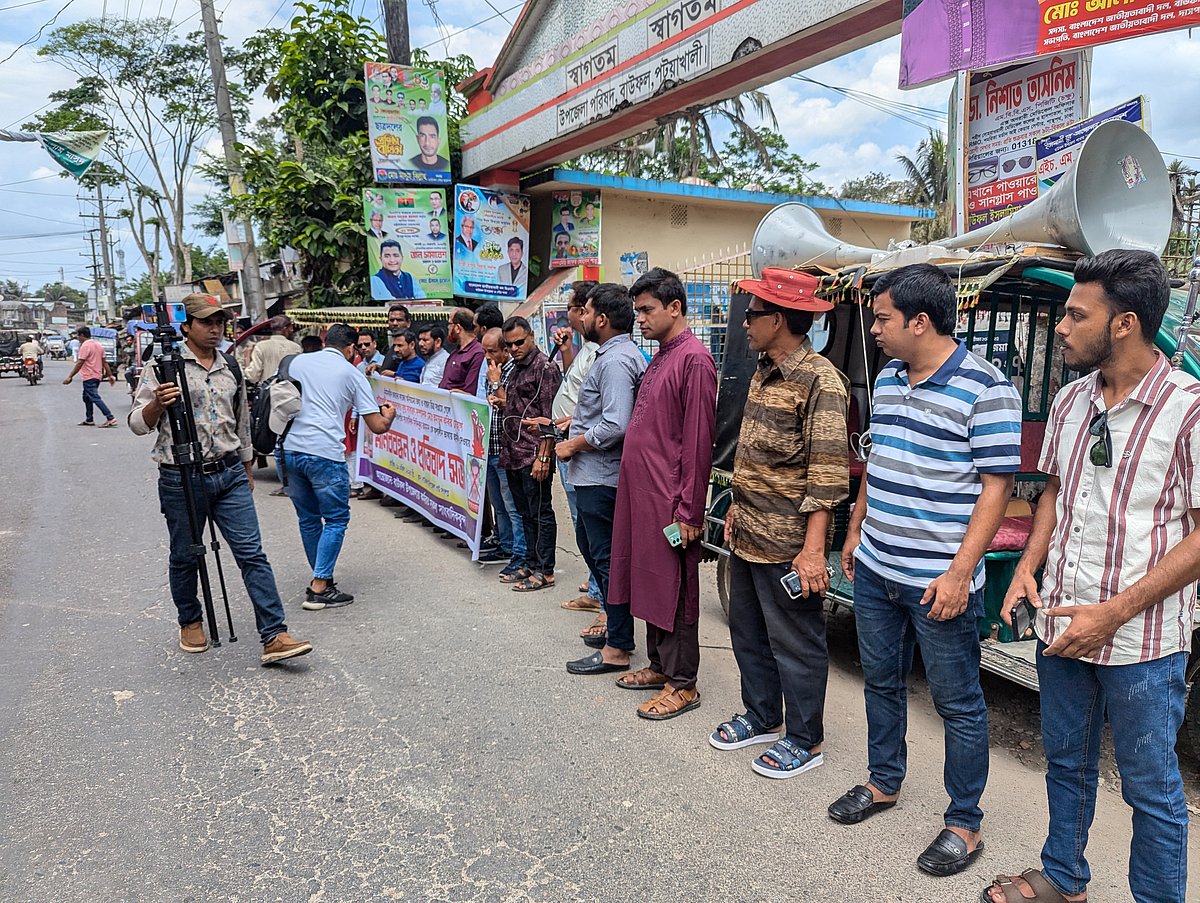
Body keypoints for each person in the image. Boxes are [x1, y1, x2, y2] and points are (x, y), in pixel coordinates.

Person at [984, 251, 1196, 903]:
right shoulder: (1071, 400)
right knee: (1068, 760)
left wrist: (1115, 610)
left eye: (1077, 314)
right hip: (1063, 624)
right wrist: (1025, 570)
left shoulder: (1188, 410)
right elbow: (1052, 494)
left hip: (1145, 643)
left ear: (1125, 323)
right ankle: (1064, 877)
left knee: (1151, 787)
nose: (1062, 326)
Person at [829, 263, 1021, 877]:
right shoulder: (887, 379)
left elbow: (997, 490)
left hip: (939, 579)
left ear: (920, 320)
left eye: (883, 318)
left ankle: (964, 824)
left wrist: (962, 571)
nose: (875, 329)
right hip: (879, 568)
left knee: (958, 703)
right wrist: (856, 531)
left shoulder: (987, 388)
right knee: (880, 682)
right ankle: (883, 783)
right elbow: (880, 463)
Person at [712, 268, 849, 779]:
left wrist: (813, 552)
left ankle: (805, 739)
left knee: (796, 643)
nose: (745, 323)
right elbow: (754, 458)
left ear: (781, 320)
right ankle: (763, 716)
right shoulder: (761, 371)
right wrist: (733, 510)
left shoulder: (820, 382)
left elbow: (827, 474)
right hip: (747, 532)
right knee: (747, 634)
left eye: (754, 314)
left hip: (789, 546)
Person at [128, 293, 312, 665]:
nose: (215, 330)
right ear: (187, 326)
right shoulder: (162, 366)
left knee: (252, 553)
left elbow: (241, 421)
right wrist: (157, 404)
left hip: (227, 473)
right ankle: (190, 619)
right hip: (181, 476)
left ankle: (274, 634)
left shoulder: (229, 363)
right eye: (206, 323)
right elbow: (136, 423)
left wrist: (246, 465)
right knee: (185, 554)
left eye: (220, 323)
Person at [608, 268, 717, 720]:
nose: (640, 319)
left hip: (672, 502)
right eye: (637, 311)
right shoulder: (660, 357)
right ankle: (658, 666)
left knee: (675, 589)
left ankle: (683, 683)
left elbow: (696, 443)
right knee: (648, 583)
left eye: (647, 310)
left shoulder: (694, 360)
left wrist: (690, 511)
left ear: (675, 307)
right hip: (643, 495)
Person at [558, 284, 646, 677]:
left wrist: (576, 442)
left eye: (587, 311)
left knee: (607, 561)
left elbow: (616, 423)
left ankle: (618, 648)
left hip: (602, 477)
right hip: (596, 476)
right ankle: (616, 630)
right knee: (597, 555)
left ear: (602, 319)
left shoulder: (614, 361)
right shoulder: (611, 355)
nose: (581, 317)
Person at [281, 324, 397, 609]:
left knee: (308, 519)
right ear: (350, 349)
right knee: (335, 519)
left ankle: (321, 577)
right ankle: (320, 585)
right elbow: (377, 426)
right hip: (325, 453)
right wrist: (390, 416)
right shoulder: (351, 373)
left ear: (324, 341)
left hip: (290, 448)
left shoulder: (298, 362)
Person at [494, 316, 562, 592]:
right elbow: (520, 405)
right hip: (512, 451)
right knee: (524, 513)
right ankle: (531, 562)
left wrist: (544, 456)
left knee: (540, 511)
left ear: (532, 336)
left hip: (534, 452)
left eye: (519, 342)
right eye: (509, 345)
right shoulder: (513, 368)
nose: (514, 348)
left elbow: (549, 417)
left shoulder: (545, 367)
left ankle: (546, 569)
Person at [481, 327, 527, 570]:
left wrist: (496, 383)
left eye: (492, 351)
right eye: (485, 351)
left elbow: (513, 406)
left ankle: (520, 554)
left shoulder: (512, 371)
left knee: (513, 506)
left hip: (507, 449)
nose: (488, 356)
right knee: (498, 504)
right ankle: (506, 544)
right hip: (490, 445)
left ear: (505, 350)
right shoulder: (490, 370)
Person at [63, 326, 118, 427]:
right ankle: (89, 419)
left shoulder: (85, 346)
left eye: (78, 336)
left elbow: (80, 362)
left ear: (82, 335)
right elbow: (104, 362)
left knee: (94, 397)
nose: (77, 338)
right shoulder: (98, 345)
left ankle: (110, 417)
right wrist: (110, 375)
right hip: (97, 375)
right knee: (86, 397)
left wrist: (70, 376)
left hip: (89, 375)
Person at [439, 308, 486, 395]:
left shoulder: (477, 353)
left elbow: (471, 392)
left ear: (457, 328)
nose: (448, 328)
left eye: (449, 324)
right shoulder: (456, 351)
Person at [245, 316, 302, 384]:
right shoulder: (297, 348)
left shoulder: (261, 346)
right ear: (285, 329)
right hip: (291, 390)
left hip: (269, 390)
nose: (292, 330)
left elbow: (253, 376)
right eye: (291, 328)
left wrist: (247, 362)